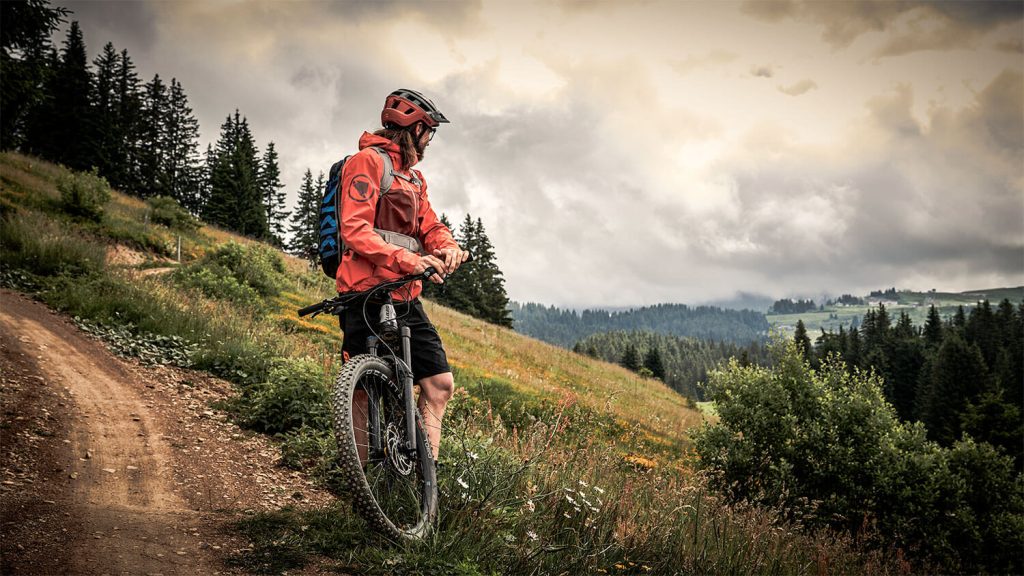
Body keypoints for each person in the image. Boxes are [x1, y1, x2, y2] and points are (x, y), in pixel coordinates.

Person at [337, 88, 469, 463]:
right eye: (428, 131)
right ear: (413, 129)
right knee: (361, 390)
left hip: (404, 293)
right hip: (364, 291)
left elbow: (430, 226)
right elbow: (355, 230)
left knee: (439, 385)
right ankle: (359, 480)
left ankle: (424, 475)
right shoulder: (366, 162)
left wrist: (446, 247)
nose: (430, 140)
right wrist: (410, 262)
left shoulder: (414, 179)